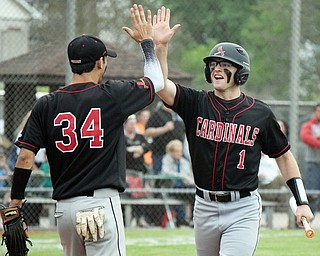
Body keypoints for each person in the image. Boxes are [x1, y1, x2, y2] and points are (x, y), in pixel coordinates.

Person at [124, 6, 314, 256]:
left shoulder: (260, 113)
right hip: (203, 205)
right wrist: (159, 47)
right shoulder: (196, 103)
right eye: (213, 64)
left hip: (242, 207)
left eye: (225, 65)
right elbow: (161, 87)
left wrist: (301, 201)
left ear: (241, 72)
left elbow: (284, 157)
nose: (216, 68)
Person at [8, 4, 164, 256]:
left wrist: (15, 203)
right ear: (101, 62)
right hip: (100, 204)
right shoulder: (111, 96)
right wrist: (147, 43)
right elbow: (157, 82)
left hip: (65, 210)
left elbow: (25, 158)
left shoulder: (46, 103)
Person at [124, 114, 151, 227]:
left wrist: (140, 149)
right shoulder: (121, 137)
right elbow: (123, 152)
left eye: (134, 123)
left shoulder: (140, 137)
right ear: (125, 124)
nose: (132, 125)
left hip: (139, 170)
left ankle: (140, 218)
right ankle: (126, 219)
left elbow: (148, 147)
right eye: (130, 123)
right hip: (126, 170)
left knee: (142, 192)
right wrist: (132, 152)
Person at [145, 101, 185, 175]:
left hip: (177, 154)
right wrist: (164, 128)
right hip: (160, 153)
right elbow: (147, 132)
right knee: (160, 176)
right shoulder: (157, 114)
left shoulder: (177, 114)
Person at [161, 139, 194, 227]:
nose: (179, 153)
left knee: (194, 193)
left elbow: (187, 175)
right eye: (176, 151)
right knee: (191, 194)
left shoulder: (184, 162)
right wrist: (181, 176)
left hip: (184, 187)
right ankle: (181, 219)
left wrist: (188, 180)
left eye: (180, 151)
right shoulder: (167, 159)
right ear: (171, 152)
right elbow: (166, 172)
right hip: (171, 187)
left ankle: (192, 220)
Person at [300, 103, 320, 213]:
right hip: (314, 164)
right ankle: (307, 222)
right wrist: (316, 140)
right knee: (311, 194)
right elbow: (306, 138)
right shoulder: (309, 125)